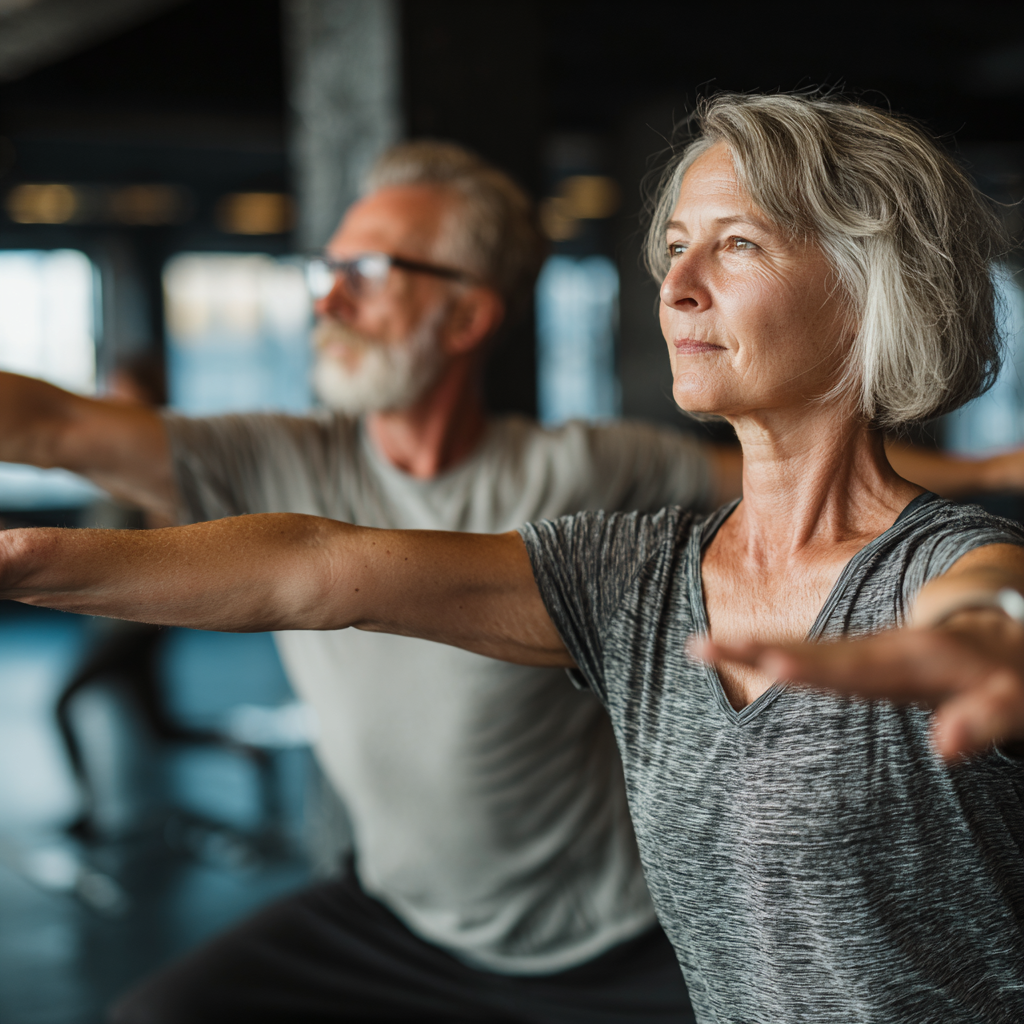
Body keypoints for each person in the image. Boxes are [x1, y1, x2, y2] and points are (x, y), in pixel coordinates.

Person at [1, 133, 1023, 1023]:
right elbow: (316, 564)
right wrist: (21, 559)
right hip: (403, 914)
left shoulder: (923, 556)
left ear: (862, 288)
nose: (674, 285)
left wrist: (982, 628)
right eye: (672, 249)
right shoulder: (625, 570)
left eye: (738, 243)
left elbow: (983, 588)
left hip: (603, 940)